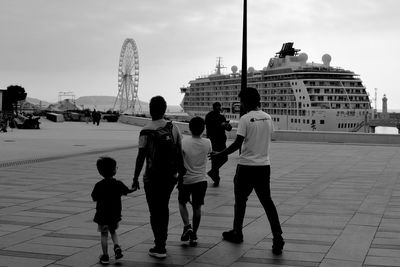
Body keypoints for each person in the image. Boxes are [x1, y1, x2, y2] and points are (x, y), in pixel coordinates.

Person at [209, 87, 285, 255]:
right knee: (268, 203)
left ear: (246, 102)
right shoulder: (268, 117)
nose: (241, 104)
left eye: (242, 101)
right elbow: (267, 136)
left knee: (240, 201)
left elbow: (237, 144)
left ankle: (237, 232)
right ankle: (277, 235)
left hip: (246, 167)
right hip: (264, 166)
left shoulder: (245, 119)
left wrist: (219, 154)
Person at [132, 95, 184, 259]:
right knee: (164, 208)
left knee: (155, 211)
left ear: (150, 110)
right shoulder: (173, 127)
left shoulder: (146, 130)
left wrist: (135, 178)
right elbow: (180, 152)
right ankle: (163, 242)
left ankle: (159, 245)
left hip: (152, 177)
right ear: (164, 109)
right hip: (170, 176)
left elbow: (141, 157)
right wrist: (181, 175)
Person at [91, 156, 135, 265]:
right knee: (113, 231)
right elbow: (127, 191)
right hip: (114, 214)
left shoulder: (98, 185)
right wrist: (133, 188)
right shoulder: (118, 184)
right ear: (114, 170)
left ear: (100, 171)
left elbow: (94, 197)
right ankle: (116, 247)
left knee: (104, 234)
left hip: (102, 215)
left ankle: (105, 256)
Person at [178, 117, 212, 246]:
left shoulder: (183, 142)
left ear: (189, 128)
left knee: (182, 203)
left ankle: (187, 226)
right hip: (201, 180)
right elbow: (209, 153)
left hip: (186, 179)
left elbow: (180, 161)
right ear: (203, 128)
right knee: (197, 207)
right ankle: (194, 235)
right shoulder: (208, 142)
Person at [205, 102, 232, 186]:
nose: (219, 108)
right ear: (215, 107)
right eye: (218, 106)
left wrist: (226, 125)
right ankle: (215, 178)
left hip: (217, 140)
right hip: (215, 140)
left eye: (219, 106)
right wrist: (221, 125)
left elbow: (228, 128)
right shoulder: (212, 116)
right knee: (220, 159)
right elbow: (210, 126)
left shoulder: (218, 116)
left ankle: (214, 176)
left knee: (217, 160)